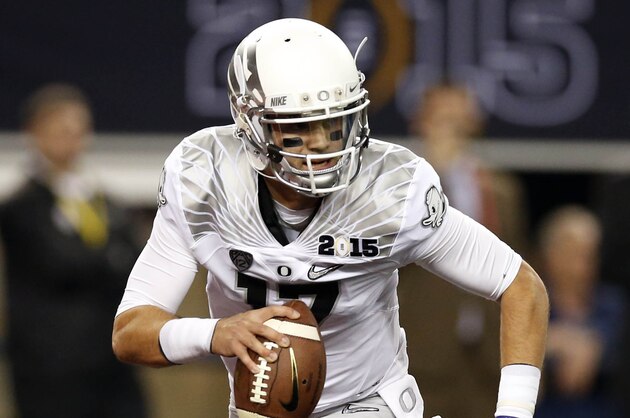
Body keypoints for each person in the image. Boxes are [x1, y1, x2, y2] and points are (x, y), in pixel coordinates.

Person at [112, 18, 548, 418]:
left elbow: (519, 285)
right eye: (298, 127)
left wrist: (513, 412)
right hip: (262, 408)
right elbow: (131, 332)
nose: (322, 145)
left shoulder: (391, 187)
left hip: (371, 403)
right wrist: (213, 334)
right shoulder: (205, 176)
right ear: (251, 125)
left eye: (334, 124)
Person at [0, 84, 147, 418]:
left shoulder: (104, 202)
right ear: (34, 133)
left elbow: (134, 259)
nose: (71, 138)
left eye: (78, 129)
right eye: (60, 129)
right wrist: (111, 255)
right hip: (50, 369)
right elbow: (63, 264)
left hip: (110, 361)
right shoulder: (20, 208)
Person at [398, 82, 530, 418]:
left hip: (485, 361)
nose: (452, 131)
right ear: (421, 122)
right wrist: (440, 175)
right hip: (422, 358)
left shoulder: (503, 191)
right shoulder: (397, 188)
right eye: (443, 120)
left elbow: (519, 271)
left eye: (460, 121)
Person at [534, 205, 626, 418]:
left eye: (590, 255)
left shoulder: (613, 305)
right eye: (574, 254)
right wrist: (548, 344)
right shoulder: (530, 307)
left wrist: (594, 347)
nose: (583, 267)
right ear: (551, 257)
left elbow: (617, 354)